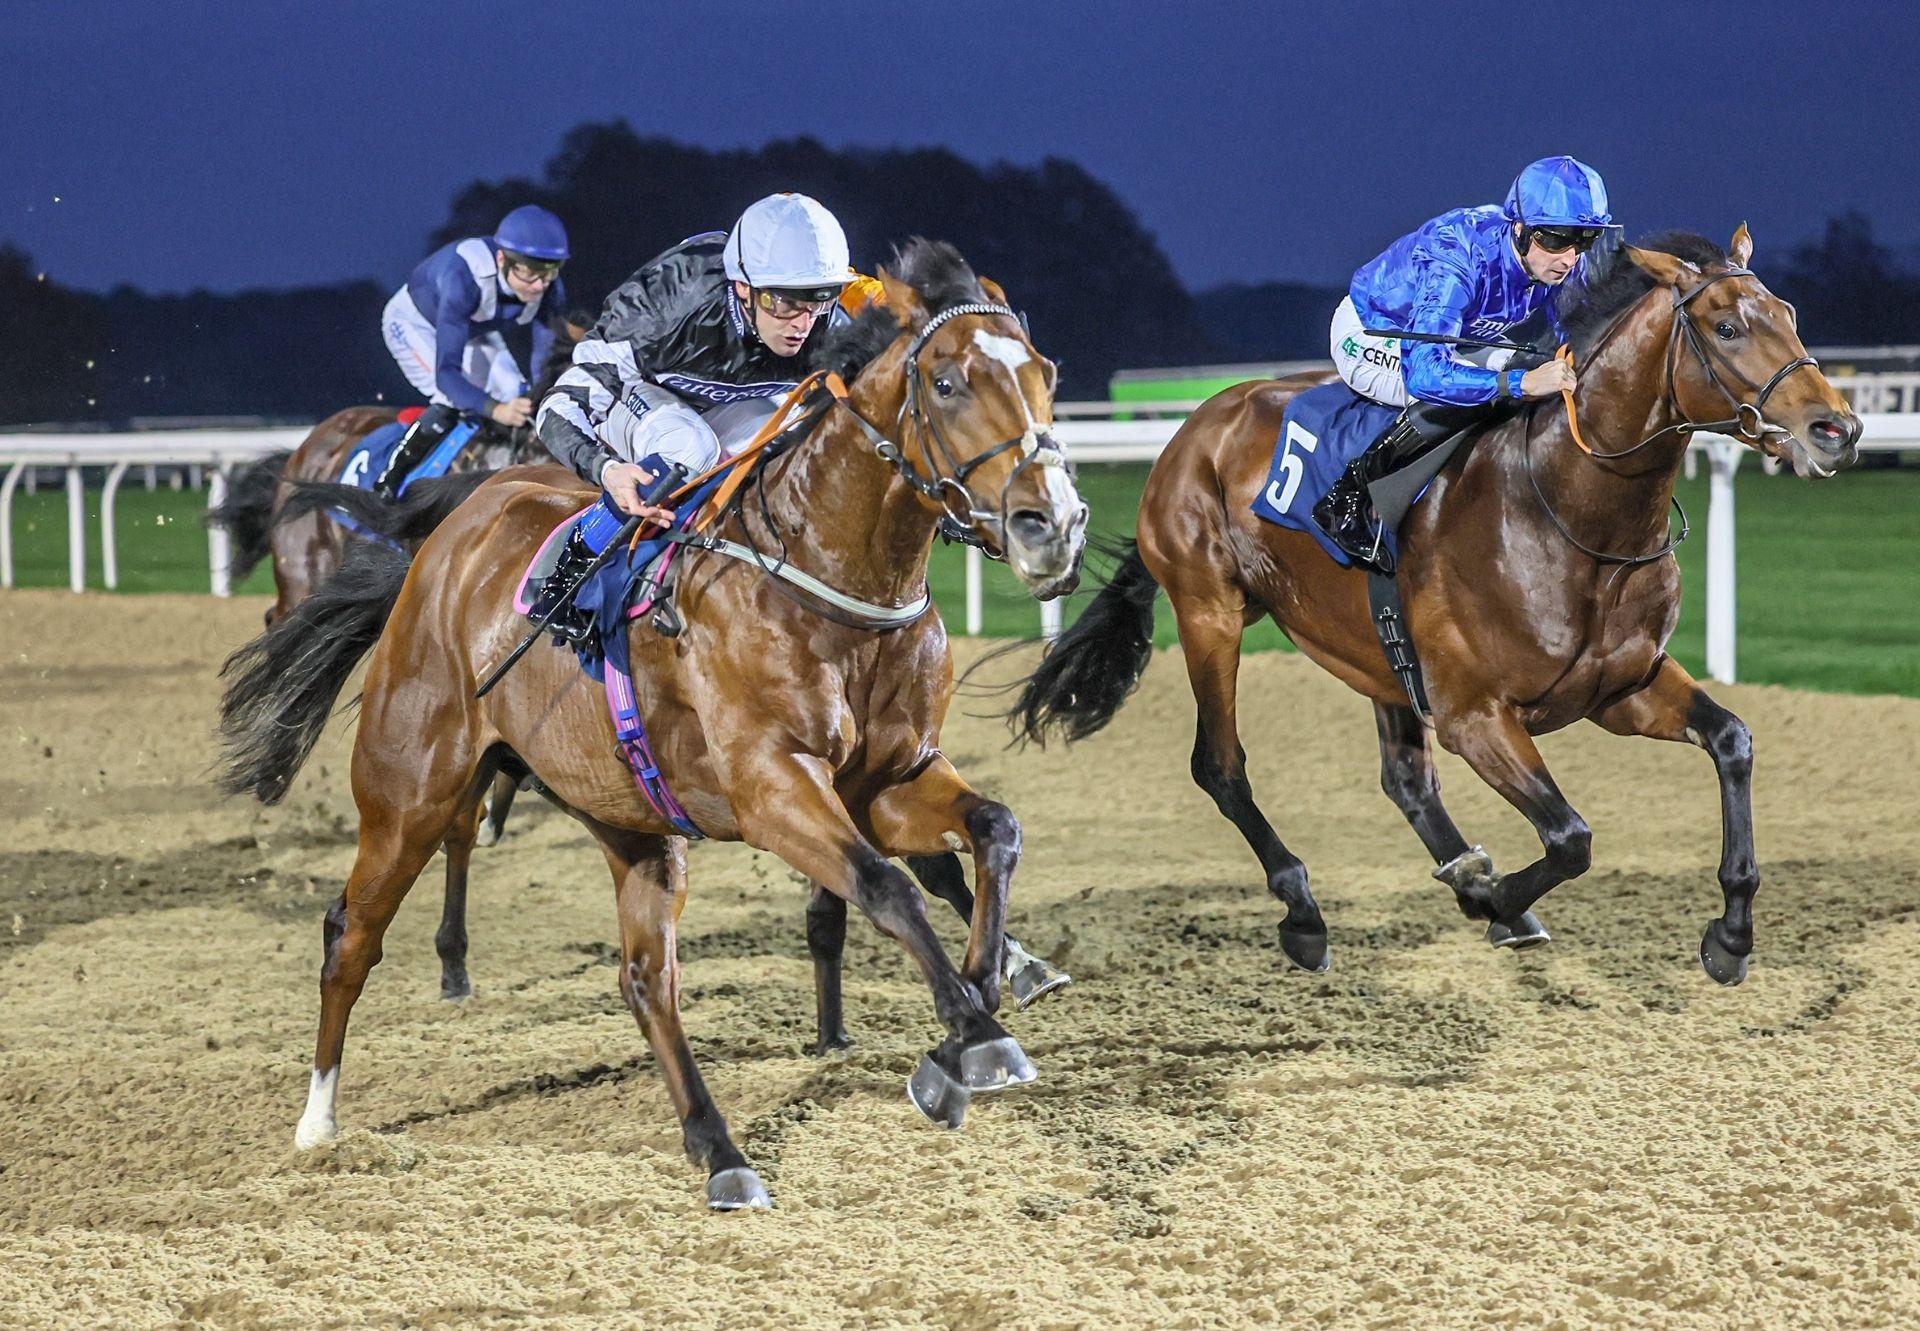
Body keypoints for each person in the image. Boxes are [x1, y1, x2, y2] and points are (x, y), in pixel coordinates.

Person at [528, 192, 869, 638]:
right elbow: (557, 405)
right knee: (690, 444)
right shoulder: (672, 300)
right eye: (783, 304)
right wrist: (605, 469)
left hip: (720, 408)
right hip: (639, 391)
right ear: (743, 287)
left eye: (818, 299)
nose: (802, 323)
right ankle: (570, 566)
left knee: (797, 435)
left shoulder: (829, 324)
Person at [1312, 156, 1618, 571]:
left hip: (1449, 336)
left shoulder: (1564, 265)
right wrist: (1520, 384)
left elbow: (1574, 339)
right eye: (1556, 240)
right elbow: (1426, 374)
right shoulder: (1457, 257)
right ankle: (1346, 499)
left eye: (1584, 240)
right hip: (1377, 332)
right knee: (1463, 396)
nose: (1568, 257)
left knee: (1532, 366)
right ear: (1521, 229)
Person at [374, 204, 572, 498]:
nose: (539, 286)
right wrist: (497, 410)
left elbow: (543, 363)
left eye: (549, 273)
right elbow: (446, 376)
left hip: (472, 328)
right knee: (452, 398)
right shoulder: (463, 280)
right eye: (530, 274)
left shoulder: (549, 289)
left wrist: (532, 397)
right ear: (502, 259)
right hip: (415, 324)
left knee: (515, 389)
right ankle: (389, 482)